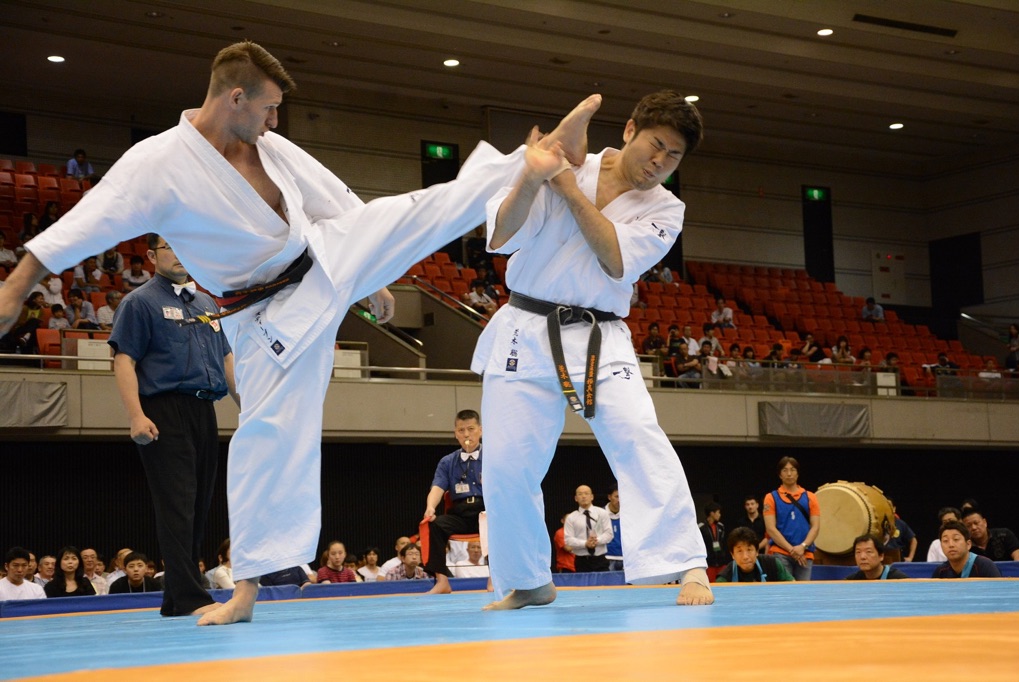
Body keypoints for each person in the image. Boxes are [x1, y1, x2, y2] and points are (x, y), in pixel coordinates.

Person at [0, 40, 596, 626]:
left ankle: (535, 160)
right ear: (235, 97)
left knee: (417, 208)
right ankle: (246, 590)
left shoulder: (269, 145)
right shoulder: (158, 166)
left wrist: (371, 275)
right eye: (268, 107)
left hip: (326, 257)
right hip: (265, 317)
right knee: (267, 439)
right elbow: (87, 221)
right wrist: (16, 284)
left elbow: (333, 197)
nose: (275, 118)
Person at [472, 90, 711, 610]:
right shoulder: (569, 165)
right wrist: (536, 177)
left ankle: (687, 563)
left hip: (599, 334)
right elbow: (500, 235)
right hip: (523, 324)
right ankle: (528, 579)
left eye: (673, 157)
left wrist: (564, 186)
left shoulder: (667, 209)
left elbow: (615, 259)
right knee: (508, 465)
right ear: (628, 131)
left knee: (637, 436)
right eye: (655, 145)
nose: (659, 162)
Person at [109, 234, 237, 617]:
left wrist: (250, 408)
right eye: (170, 247)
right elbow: (124, 360)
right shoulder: (140, 302)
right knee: (177, 504)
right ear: (151, 256)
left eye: (186, 244)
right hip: (163, 411)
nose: (180, 254)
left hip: (204, 411)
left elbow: (228, 360)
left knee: (199, 504)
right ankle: (189, 594)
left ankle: (177, 597)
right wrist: (135, 415)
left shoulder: (206, 302)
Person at [422, 409, 486, 595]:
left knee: (498, 524)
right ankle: (442, 581)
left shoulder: (493, 457)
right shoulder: (447, 462)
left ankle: (495, 580)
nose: (467, 434)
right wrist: (430, 507)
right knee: (436, 524)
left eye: (471, 429)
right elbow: (437, 488)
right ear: (455, 433)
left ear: (480, 430)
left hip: (486, 512)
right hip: (459, 513)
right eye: (461, 430)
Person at [763, 456, 819, 581]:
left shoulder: (810, 497)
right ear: (780, 475)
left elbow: (815, 527)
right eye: (785, 470)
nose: (789, 473)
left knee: (803, 594)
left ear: (798, 473)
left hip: (805, 553)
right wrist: (792, 550)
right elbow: (770, 528)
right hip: (781, 552)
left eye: (792, 470)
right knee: (784, 592)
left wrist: (803, 546)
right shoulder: (771, 497)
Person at [564, 485, 614, 573]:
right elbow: (568, 540)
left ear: (592, 497)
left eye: (586, 493)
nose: (583, 496)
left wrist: (596, 541)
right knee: (583, 586)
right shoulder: (571, 518)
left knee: (604, 586)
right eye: (580, 494)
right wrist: (585, 543)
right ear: (576, 498)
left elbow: (609, 534)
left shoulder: (602, 513)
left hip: (600, 558)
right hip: (582, 560)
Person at [715, 527, 793, 583]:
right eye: (739, 551)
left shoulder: (773, 564)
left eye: (749, 550)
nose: (745, 556)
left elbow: (793, 587)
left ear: (757, 551)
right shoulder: (724, 578)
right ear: (732, 555)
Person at [931, 520, 1001, 579]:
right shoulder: (940, 572)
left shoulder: (985, 566)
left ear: (968, 544)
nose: (951, 545)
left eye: (956, 539)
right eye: (945, 540)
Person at [845, 535, 910, 580]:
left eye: (868, 552)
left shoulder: (899, 580)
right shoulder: (851, 581)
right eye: (858, 552)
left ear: (881, 556)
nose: (862, 557)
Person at [698, 501, 729, 581]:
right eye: (718, 512)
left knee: (722, 585)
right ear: (712, 513)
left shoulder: (721, 526)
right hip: (709, 563)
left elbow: (723, 543)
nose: (720, 515)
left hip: (721, 563)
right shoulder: (701, 527)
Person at [604, 485, 623, 571]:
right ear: (609, 497)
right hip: (606, 558)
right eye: (616, 496)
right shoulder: (600, 514)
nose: (619, 500)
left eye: (621, 497)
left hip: (625, 559)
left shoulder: (628, 515)